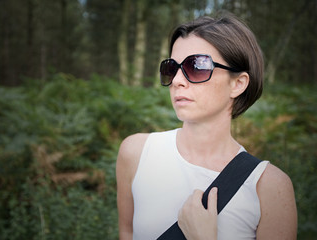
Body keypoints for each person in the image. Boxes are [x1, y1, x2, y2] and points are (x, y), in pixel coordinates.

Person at [116, 12, 297, 240]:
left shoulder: (270, 188)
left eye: (196, 66)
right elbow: (127, 233)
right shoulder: (136, 153)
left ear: (238, 84)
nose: (177, 81)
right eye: (172, 68)